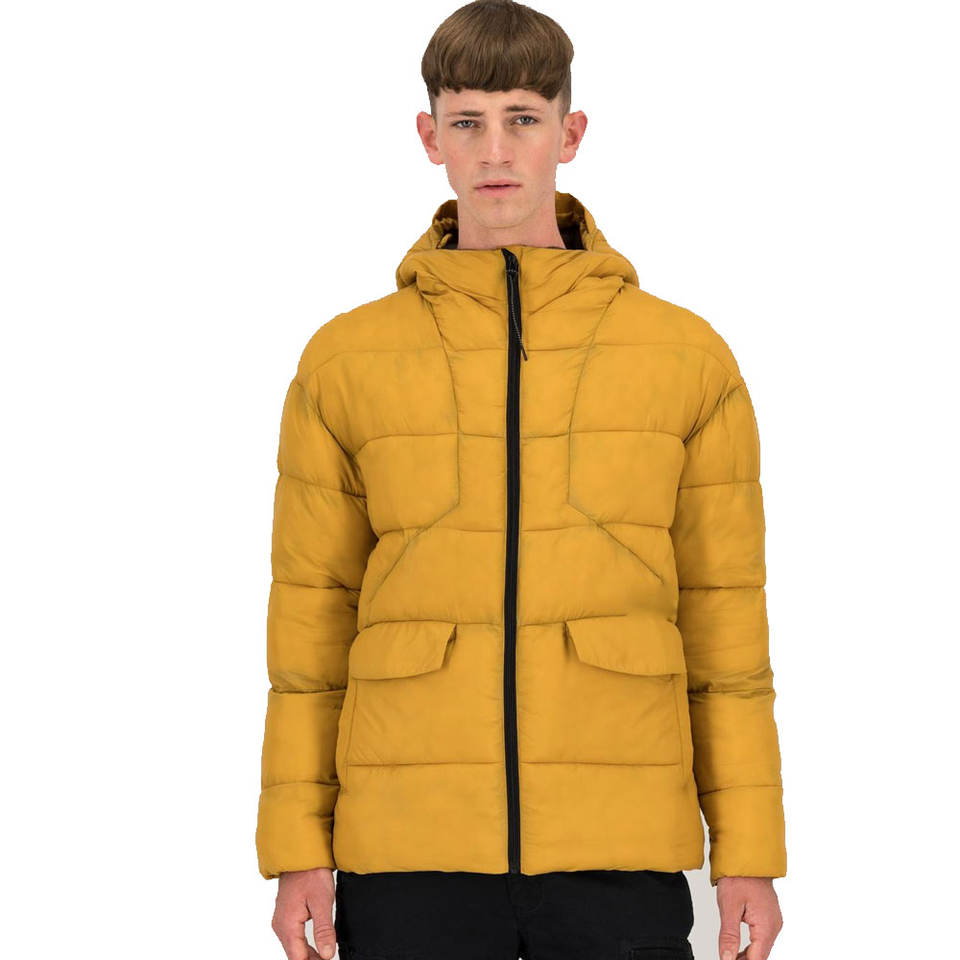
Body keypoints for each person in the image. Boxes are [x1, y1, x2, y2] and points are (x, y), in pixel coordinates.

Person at [255, 2, 787, 958]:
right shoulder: (345, 361)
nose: (495, 150)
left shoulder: (685, 358)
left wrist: (749, 852)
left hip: (619, 842)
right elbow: (310, 628)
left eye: (522, 118)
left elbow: (726, 627)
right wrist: (297, 849)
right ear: (430, 138)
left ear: (569, 134)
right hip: (408, 846)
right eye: (467, 121)